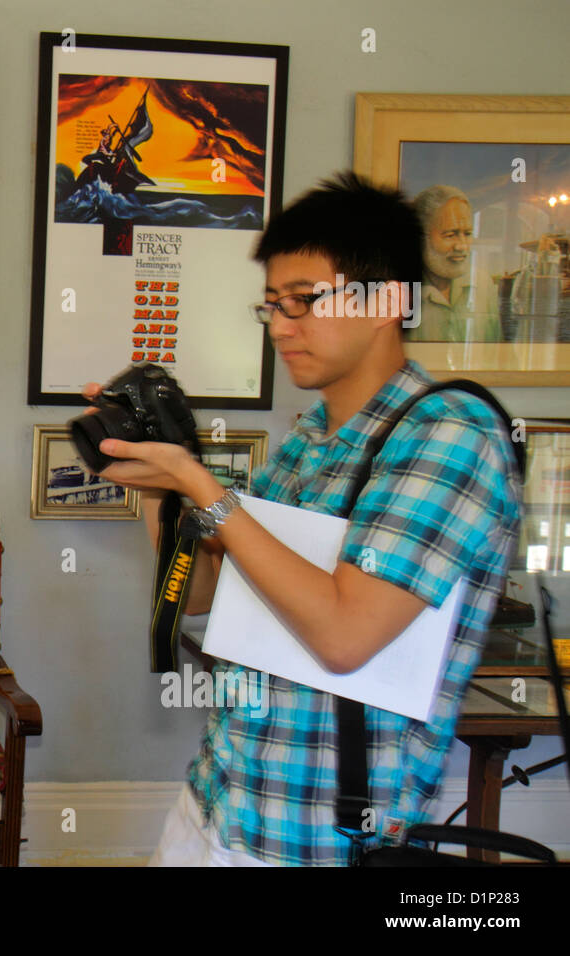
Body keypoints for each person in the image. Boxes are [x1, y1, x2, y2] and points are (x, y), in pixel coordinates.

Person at [91, 172, 522, 866]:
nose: (282, 327)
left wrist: (200, 485)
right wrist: (158, 483)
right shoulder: (308, 440)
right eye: (271, 307)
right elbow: (203, 595)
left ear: (385, 301)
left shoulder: (452, 435)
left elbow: (345, 636)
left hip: (321, 841)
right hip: (219, 801)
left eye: (303, 302)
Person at [411, 183, 501, 342]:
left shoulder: (482, 285)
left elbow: (496, 354)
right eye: (450, 235)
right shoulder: (399, 291)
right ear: (421, 237)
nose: (462, 246)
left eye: (467, 234)